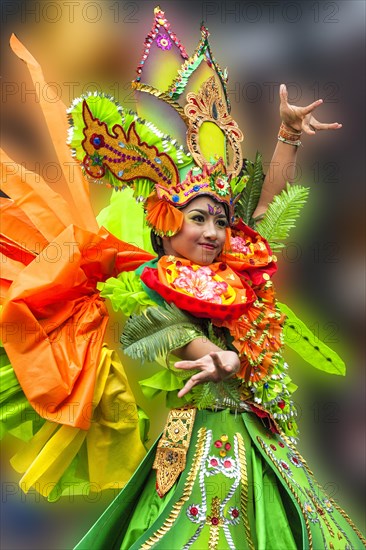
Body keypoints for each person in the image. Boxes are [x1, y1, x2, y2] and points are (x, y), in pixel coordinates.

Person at [0, 6, 364, 550]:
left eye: (221, 219)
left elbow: (264, 218)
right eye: (198, 218)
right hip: (203, 442)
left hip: (264, 435)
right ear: (165, 226)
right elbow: (179, 336)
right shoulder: (147, 284)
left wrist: (288, 138)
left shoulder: (240, 273)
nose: (215, 231)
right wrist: (224, 357)